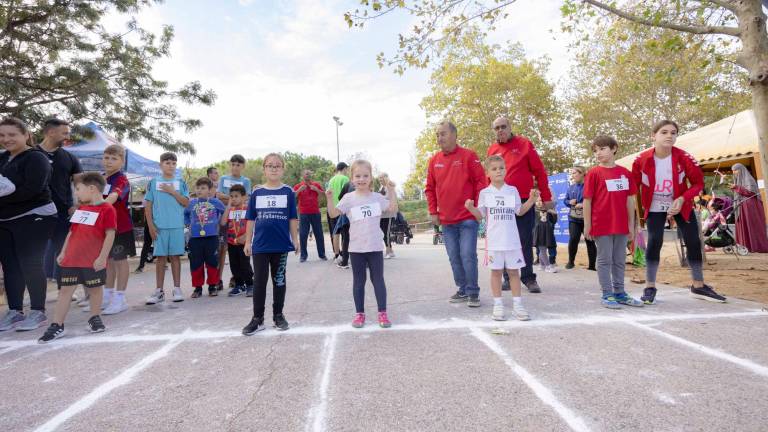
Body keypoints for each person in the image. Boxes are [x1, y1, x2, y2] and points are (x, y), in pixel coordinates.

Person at [632, 120, 726, 304]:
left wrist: (683, 198)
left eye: (673, 133)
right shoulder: (640, 160)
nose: (669, 135)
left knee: (693, 240)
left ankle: (698, 286)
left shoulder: (684, 157)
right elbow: (633, 187)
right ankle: (650, 286)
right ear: (653, 136)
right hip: (654, 206)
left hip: (680, 204)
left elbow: (698, 184)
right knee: (655, 241)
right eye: (664, 132)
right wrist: (633, 215)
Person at [38, 172, 116, 343]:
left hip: (92, 260)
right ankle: (57, 324)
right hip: (72, 259)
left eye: (78, 189)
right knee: (65, 290)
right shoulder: (81, 209)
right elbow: (72, 232)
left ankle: (94, 318)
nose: (77, 193)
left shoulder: (107, 209)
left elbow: (110, 235)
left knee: (95, 290)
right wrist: (64, 252)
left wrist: (102, 257)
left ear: (92, 188)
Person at [0, 117, 57, 332]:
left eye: (12, 134)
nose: (6, 139)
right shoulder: (2, 158)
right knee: (10, 265)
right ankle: (14, 311)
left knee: (30, 263)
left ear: (26, 135)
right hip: (6, 219)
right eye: (2, 135)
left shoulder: (36, 158)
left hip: (35, 215)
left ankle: (38, 311)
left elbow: (32, 190)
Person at [464, 155, 538, 321]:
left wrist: (532, 200)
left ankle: (517, 304)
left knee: (514, 272)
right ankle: (498, 305)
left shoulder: (512, 191)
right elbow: (480, 215)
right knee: (496, 272)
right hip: (494, 242)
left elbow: (520, 211)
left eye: (501, 168)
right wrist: (470, 208)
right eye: (494, 169)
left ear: (506, 170)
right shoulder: (484, 193)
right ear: (488, 173)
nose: (499, 171)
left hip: (512, 241)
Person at [327, 160, 398, 328]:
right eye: (357, 176)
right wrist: (329, 198)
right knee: (359, 281)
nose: (361, 179)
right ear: (351, 178)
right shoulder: (348, 198)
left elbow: (393, 208)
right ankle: (359, 314)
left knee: (378, 280)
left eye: (365, 175)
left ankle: (383, 313)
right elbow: (332, 213)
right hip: (356, 249)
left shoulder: (377, 198)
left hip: (374, 247)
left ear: (371, 178)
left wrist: (392, 190)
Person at [487, 116, 552, 294]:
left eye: (503, 126)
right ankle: (508, 278)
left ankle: (529, 278)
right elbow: (489, 177)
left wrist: (546, 197)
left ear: (510, 127)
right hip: (501, 203)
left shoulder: (524, 144)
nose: (500, 130)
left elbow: (539, 171)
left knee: (523, 239)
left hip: (523, 200)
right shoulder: (492, 149)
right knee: (505, 240)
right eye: (496, 128)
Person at [425, 120, 486, 307]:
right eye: (437, 134)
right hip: (447, 220)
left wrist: (477, 208)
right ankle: (462, 289)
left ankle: (473, 292)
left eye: (443, 133)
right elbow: (429, 188)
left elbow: (481, 183)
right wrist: (432, 211)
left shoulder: (469, 156)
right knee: (454, 256)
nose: (439, 138)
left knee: (467, 254)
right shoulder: (434, 160)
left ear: (454, 135)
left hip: (467, 218)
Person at [583, 136, 643, 309]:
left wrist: (632, 224)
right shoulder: (594, 173)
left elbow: (630, 201)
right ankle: (607, 294)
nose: (598, 153)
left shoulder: (625, 173)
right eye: (595, 151)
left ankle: (620, 292)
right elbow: (587, 200)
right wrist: (587, 225)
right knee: (604, 259)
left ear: (614, 148)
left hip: (622, 224)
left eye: (602, 149)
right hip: (601, 224)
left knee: (619, 259)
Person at [242, 153, 298, 335]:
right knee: (259, 281)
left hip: (280, 245)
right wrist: (248, 241)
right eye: (270, 165)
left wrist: (295, 240)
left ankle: (278, 315)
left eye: (277, 165)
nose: (274, 168)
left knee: (279, 280)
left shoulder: (288, 192)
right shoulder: (257, 192)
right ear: (264, 169)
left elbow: (292, 218)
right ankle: (257, 319)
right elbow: (250, 218)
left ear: (283, 169)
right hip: (260, 246)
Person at [37, 118, 82, 286]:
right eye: (64, 133)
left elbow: (79, 183)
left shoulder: (70, 158)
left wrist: (76, 205)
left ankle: (65, 288)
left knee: (64, 252)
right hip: (34, 213)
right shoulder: (30, 154)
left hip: (62, 214)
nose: (67, 136)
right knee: (32, 254)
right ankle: (34, 294)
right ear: (50, 132)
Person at [144, 152, 190, 305]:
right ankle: (159, 291)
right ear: (160, 165)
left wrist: (172, 192)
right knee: (161, 259)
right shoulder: (153, 182)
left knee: (176, 257)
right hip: (160, 227)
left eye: (173, 163)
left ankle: (177, 289)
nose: (170, 166)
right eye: (167, 163)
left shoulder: (181, 182)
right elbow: (148, 205)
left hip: (177, 226)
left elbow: (185, 202)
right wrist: (151, 226)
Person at [100, 144, 135, 315]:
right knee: (108, 262)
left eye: (114, 158)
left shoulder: (122, 179)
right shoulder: (99, 178)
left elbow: (114, 196)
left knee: (120, 261)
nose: (109, 161)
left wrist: (98, 205)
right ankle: (107, 296)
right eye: (106, 157)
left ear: (122, 161)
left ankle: (120, 298)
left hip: (120, 228)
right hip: (103, 229)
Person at [185, 177, 226, 298]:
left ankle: (212, 286)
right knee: (196, 263)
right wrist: (188, 224)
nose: (199, 190)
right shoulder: (192, 203)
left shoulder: (215, 202)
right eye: (197, 188)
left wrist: (218, 223)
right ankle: (197, 288)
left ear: (209, 190)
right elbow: (185, 214)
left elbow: (224, 212)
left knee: (212, 262)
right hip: (195, 238)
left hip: (212, 238)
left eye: (203, 188)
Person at [221, 184, 254, 297]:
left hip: (243, 242)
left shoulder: (247, 209)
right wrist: (228, 205)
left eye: (236, 196)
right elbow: (223, 222)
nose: (234, 198)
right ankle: (239, 285)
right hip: (231, 242)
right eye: (232, 196)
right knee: (234, 265)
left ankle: (250, 284)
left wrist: (246, 236)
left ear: (244, 197)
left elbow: (252, 224)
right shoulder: (230, 210)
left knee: (245, 264)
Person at [729, 163, 768, 252]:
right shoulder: (738, 181)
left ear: (741, 170)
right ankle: (745, 246)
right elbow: (740, 191)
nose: (734, 173)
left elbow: (751, 192)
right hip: (742, 206)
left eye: (736, 170)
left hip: (750, 206)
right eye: (733, 171)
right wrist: (735, 187)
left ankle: (756, 246)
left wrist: (737, 187)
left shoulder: (749, 179)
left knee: (751, 225)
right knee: (743, 225)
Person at [563, 166, 596, 270]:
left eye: (574, 173)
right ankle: (571, 262)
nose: (572, 176)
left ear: (582, 173)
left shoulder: (590, 186)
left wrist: (583, 204)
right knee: (573, 239)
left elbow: (596, 200)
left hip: (587, 219)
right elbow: (565, 200)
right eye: (571, 173)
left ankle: (592, 266)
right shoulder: (571, 187)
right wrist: (569, 202)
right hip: (574, 219)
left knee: (589, 241)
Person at [293, 169, 327, 262]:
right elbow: (292, 196)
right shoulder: (298, 186)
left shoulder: (316, 185)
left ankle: (322, 254)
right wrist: (299, 190)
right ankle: (303, 256)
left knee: (319, 234)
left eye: (309, 173)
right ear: (302, 175)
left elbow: (324, 195)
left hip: (315, 212)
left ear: (311, 175)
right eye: (306, 173)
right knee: (303, 235)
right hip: (303, 213)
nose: (307, 175)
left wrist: (316, 190)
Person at [327, 162, 350, 262]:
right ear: (344, 168)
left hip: (332, 209)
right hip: (342, 209)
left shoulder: (331, 180)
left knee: (335, 232)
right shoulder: (345, 179)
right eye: (347, 169)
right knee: (345, 233)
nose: (347, 171)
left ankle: (336, 254)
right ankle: (344, 255)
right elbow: (346, 195)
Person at [533, 196, 558, 273]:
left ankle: (542, 265)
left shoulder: (548, 211)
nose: (539, 202)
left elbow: (553, 221)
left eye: (541, 200)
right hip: (539, 233)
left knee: (542, 250)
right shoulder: (534, 211)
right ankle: (547, 266)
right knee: (542, 249)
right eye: (537, 201)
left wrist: (553, 212)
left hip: (547, 232)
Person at [378, 172, 397, 259]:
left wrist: (379, 199)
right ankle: (391, 250)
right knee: (383, 233)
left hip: (389, 214)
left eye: (382, 177)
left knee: (386, 233)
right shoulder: (381, 187)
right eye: (379, 178)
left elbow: (389, 198)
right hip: (382, 214)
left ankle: (388, 251)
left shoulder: (389, 186)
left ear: (386, 177)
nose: (380, 179)